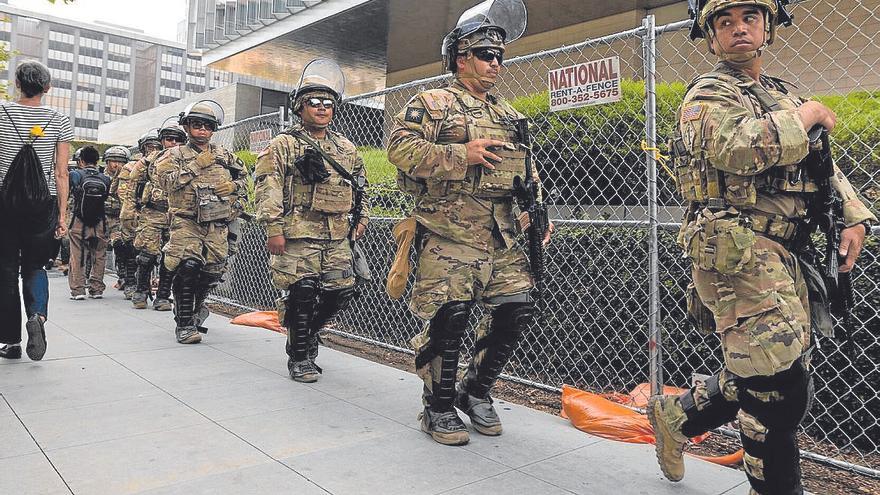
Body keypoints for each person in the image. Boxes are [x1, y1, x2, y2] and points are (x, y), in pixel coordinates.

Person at [647, 1, 878, 494]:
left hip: (789, 251)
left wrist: (855, 214)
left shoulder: (781, 94)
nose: (738, 30)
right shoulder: (707, 95)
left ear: (768, 28)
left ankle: (677, 416)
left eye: (749, 18)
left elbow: (823, 167)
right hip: (736, 250)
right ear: (710, 38)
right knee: (778, 389)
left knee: (772, 372)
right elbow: (736, 146)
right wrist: (808, 115)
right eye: (724, 23)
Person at [387, 0, 552, 445]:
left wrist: (537, 215)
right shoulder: (433, 103)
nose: (496, 64)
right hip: (448, 232)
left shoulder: (510, 115)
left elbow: (527, 172)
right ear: (462, 57)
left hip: (503, 235)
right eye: (486, 55)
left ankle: (475, 392)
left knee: (515, 310)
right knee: (450, 317)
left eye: (500, 56)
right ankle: (437, 407)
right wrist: (462, 154)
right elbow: (399, 151)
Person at [254, 58, 369, 383]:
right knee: (303, 292)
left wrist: (362, 218)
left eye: (328, 103)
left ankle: (305, 333)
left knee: (339, 292)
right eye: (314, 103)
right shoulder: (283, 145)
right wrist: (273, 229)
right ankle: (300, 356)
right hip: (296, 235)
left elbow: (361, 185)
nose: (322, 108)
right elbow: (268, 187)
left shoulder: (346, 148)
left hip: (336, 235)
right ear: (300, 107)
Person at [0, 60, 73, 360]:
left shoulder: (2, 113)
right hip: (42, 204)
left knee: (4, 270)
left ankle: (10, 341)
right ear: (47, 87)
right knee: (35, 266)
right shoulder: (60, 120)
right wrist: (62, 216)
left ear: (17, 84)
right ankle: (37, 318)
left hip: (4, 203)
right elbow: (61, 173)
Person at [155, 100, 244, 344]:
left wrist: (234, 186)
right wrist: (195, 166)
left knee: (210, 273)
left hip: (217, 222)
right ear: (187, 127)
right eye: (196, 125)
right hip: (186, 222)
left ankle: (195, 307)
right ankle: (184, 324)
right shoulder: (173, 155)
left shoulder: (224, 155)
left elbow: (246, 179)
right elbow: (164, 183)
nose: (202, 130)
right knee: (188, 267)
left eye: (207, 126)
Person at [130, 121, 186, 310]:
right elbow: (132, 184)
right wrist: (130, 213)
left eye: (178, 140)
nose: (173, 143)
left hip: (177, 215)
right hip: (152, 213)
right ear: (162, 141)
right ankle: (140, 291)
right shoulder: (149, 160)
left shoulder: (188, 160)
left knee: (171, 257)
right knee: (147, 255)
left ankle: (162, 295)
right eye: (169, 139)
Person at [118, 130, 162, 300]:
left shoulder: (165, 164)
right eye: (149, 147)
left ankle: (152, 288)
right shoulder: (132, 167)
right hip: (136, 213)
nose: (152, 149)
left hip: (157, 216)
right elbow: (124, 193)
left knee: (155, 255)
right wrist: (131, 212)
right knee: (132, 250)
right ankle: (131, 283)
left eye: (155, 146)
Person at [67, 146, 111, 300]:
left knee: (77, 254)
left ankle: (78, 290)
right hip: (100, 222)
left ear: (81, 161)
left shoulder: (75, 175)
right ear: (97, 161)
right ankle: (97, 289)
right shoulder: (105, 179)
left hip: (79, 221)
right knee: (99, 255)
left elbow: (68, 194)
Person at [102, 146, 131, 290]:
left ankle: (123, 277)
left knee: (120, 245)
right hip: (102, 217)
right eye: (112, 161)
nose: (116, 165)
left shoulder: (129, 178)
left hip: (119, 219)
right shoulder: (101, 178)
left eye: (120, 161)